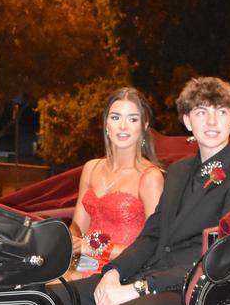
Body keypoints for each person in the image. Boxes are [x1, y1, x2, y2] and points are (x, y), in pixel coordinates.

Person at [64, 76, 230, 305]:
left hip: (191, 287)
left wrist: (138, 288)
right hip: (149, 272)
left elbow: (216, 257)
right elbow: (152, 234)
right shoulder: (179, 171)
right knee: (56, 300)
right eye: (201, 112)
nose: (211, 121)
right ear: (187, 121)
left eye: (221, 112)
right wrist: (114, 273)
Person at [67, 87, 164, 278]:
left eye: (133, 119)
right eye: (116, 117)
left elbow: (153, 246)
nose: (123, 126)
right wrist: (69, 242)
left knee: (56, 293)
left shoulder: (150, 177)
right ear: (106, 124)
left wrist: (94, 248)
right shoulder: (91, 168)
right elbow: (78, 228)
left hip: (123, 270)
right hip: (85, 263)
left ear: (144, 126)